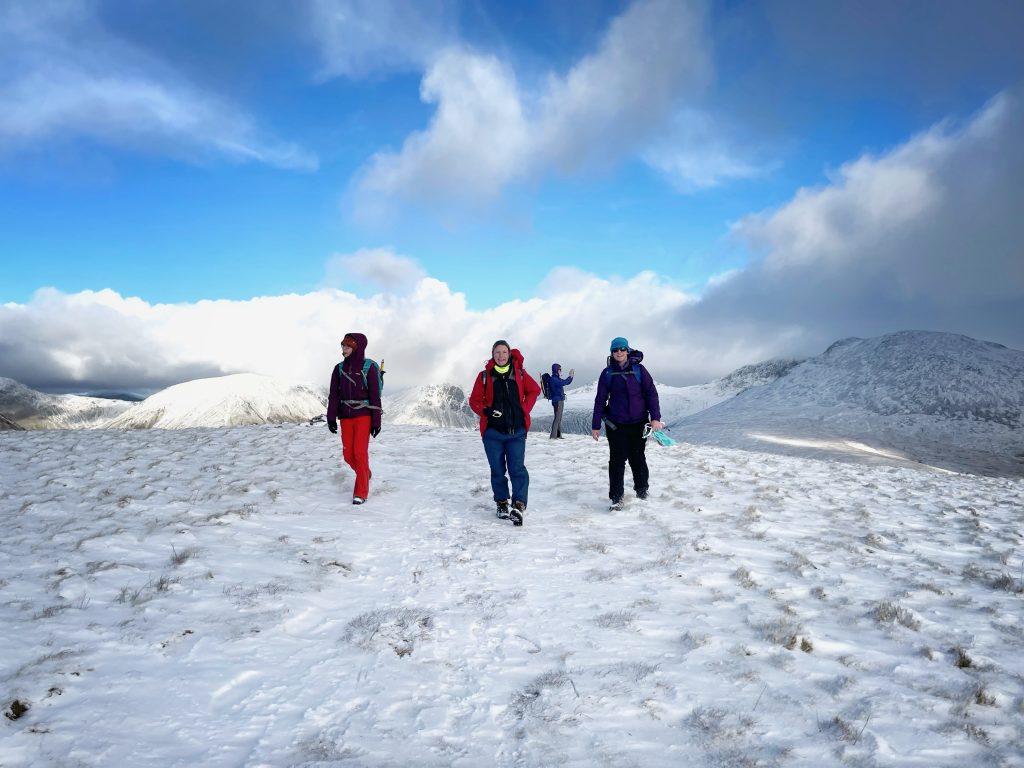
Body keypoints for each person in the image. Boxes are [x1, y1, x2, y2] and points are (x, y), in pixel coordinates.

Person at [469, 340, 541, 526]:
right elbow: (474, 401)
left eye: (504, 352)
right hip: (493, 433)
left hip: (516, 432)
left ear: (510, 354)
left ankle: (518, 505)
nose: (501, 356)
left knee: (517, 469)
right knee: (498, 470)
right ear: (492, 355)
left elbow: (534, 390)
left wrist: (524, 408)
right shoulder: (485, 376)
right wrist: (486, 411)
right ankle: (501, 503)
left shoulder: (520, 374)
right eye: (497, 352)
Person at [591, 336, 663, 510]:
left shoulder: (640, 370)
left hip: (639, 423)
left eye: (622, 349)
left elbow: (651, 394)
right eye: (615, 350)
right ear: (611, 353)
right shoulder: (607, 373)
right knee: (616, 461)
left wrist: (655, 418)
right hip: (616, 424)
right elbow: (600, 399)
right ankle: (616, 498)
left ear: (628, 350)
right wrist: (595, 425)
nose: (619, 352)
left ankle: (642, 490)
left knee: (637, 458)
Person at [327, 332, 382, 505]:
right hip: (345, 416)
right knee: (348, 455)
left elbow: (375, 396)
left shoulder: (369, 368)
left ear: (357, 347)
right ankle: (365, 473)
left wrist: (376, 421)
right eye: (343, 345)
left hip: (363, 415)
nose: (344, 349)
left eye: (348, 346)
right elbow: (333, 396)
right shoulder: (339, 369)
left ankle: (361, 492)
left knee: (359, 452)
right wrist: (330, 417)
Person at [547, 363, 574, 439]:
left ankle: (558, 435)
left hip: (560, 400)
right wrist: (570, 376)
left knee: (559, 418)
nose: (560, 371)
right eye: (560, 369)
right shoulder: (554, 379)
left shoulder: (556, 378)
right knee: (557, 418)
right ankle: (553, 436)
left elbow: (566, 382)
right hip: (557, 400)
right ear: (556, 370)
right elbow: (563, 383)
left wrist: (571, 377)